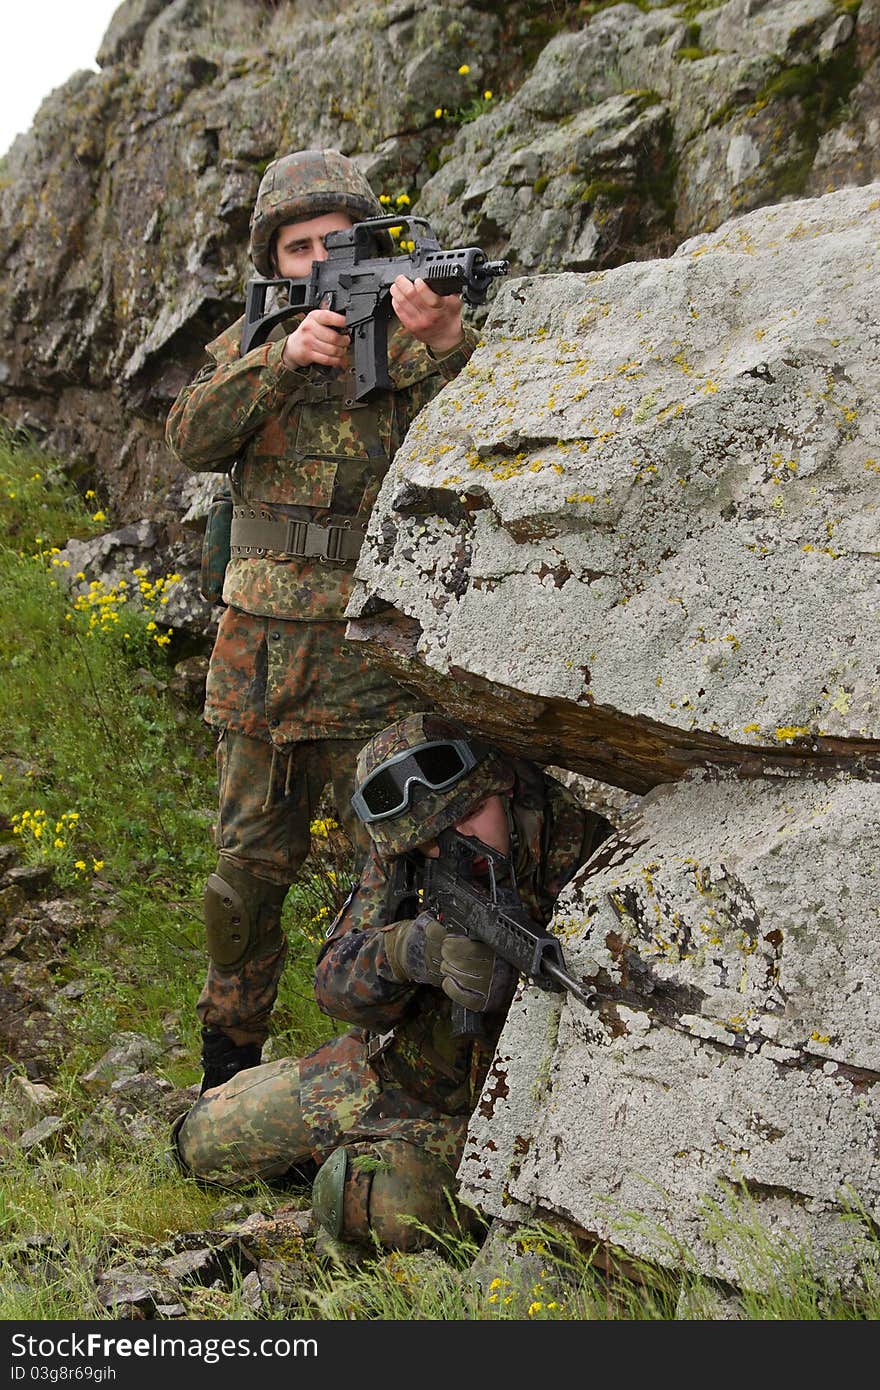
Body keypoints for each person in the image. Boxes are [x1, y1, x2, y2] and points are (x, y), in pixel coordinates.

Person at [164, 150, 479, 1093]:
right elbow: (190, 436)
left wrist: (450, 334)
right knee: (245, 882)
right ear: (274, 258)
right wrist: (281, 362)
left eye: (330, 243)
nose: (312, 261)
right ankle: (227, 1071)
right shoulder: (253, 346)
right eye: (295, 247)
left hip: (367, 661)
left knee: (390, 874)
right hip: (257, 659)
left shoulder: (412, 340)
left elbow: (491, 426)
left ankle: (392, 1072)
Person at [174, 713, 613, 1252]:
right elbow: (332, 983)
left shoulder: (584, 849)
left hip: (484, 1118)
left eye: (474, 813)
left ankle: (355, 1170)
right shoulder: (405, 855)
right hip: (386, 1071)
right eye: (434, 840)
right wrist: (406, 953)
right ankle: (342, 1151)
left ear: (507, 786)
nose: (462, 842)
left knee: (377, 1204)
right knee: (201, 1143)